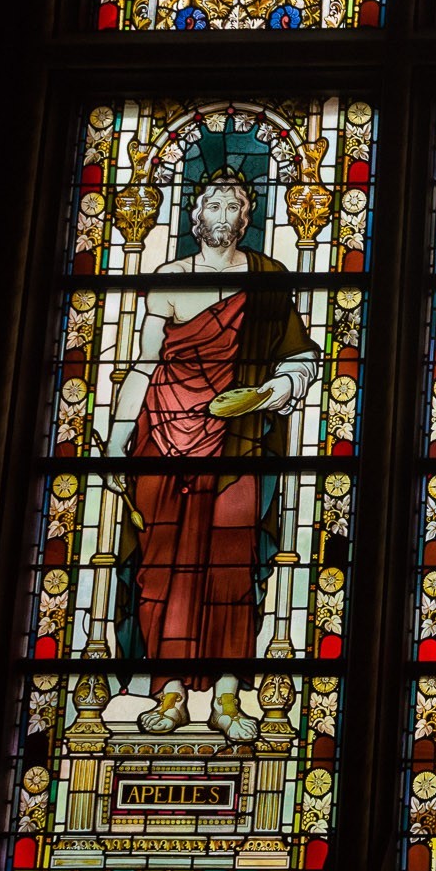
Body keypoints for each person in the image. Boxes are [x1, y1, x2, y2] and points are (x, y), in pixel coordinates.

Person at [105, 168, 319, 742]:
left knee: (232, 565)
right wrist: (118, 437)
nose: (223, 217)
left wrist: (267, 394)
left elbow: (301, 357)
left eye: (233, 207)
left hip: (239, 439)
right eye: (214, 206)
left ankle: (227, 694)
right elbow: (145, 362)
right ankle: (170, 692)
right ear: (195, 217)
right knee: (162, 565)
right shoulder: (169, 279)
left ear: (246, 219)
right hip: (164, 434)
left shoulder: (267, 281)